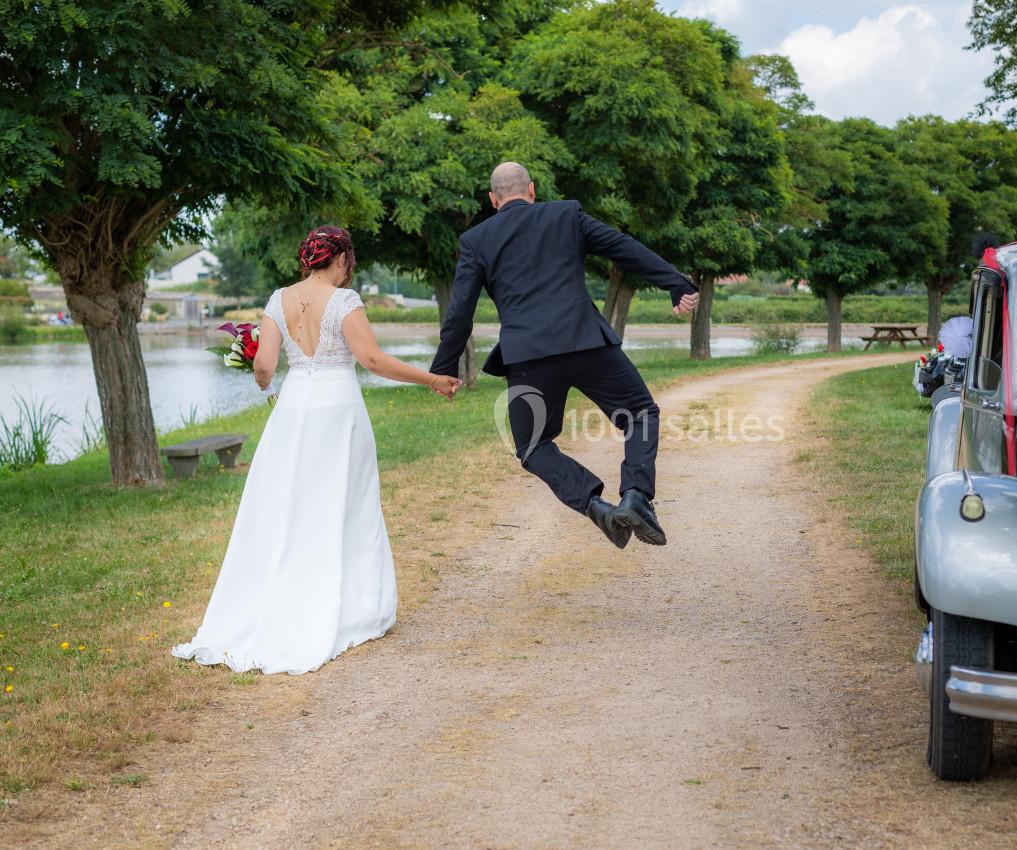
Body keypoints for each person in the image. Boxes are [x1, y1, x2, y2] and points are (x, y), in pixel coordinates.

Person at [173, 226, 461, 675]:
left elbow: (266, 368)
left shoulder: (277, 300)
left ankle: (280, 599)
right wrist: (432, 379)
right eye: (350, 261)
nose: (350, 269)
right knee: (348, 504)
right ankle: (356, 607)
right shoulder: (345, 301)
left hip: (292, 410)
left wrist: (258, 371)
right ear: (341, 258)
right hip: (337, 411)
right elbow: (372, 360)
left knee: (288, 506)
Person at [430, 162, 698, 549]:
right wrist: (677, 283)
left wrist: (443, 368)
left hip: (527, 357)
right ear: (533, 190)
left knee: (533, 447)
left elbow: (459, 313)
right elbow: (624, 248)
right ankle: (637, 496)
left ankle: (596, 506)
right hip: (586, 342)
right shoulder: (566, 214)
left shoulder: (476, 239)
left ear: (493, 200)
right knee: (639, 413)